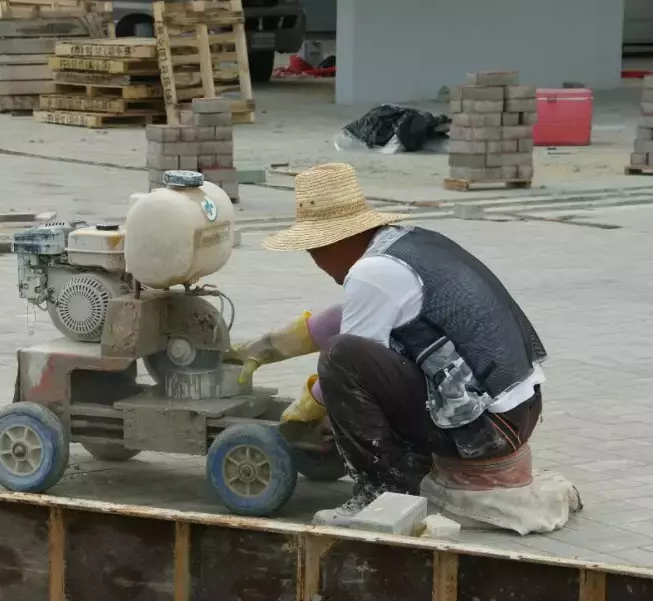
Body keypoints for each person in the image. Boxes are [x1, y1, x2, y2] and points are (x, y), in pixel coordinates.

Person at [226, 163, 577, 531]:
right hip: (518, 410)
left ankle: (384, 490)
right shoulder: (404, 245)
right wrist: (266, 348)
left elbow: (350, 364)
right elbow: (348, 316)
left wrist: (302, 411)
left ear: (333, 240)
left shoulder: (371, 273)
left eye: (312, 250)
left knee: (340, 359)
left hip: (489, 431)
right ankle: (406, 464)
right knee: (360, 356)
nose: (314, 261)